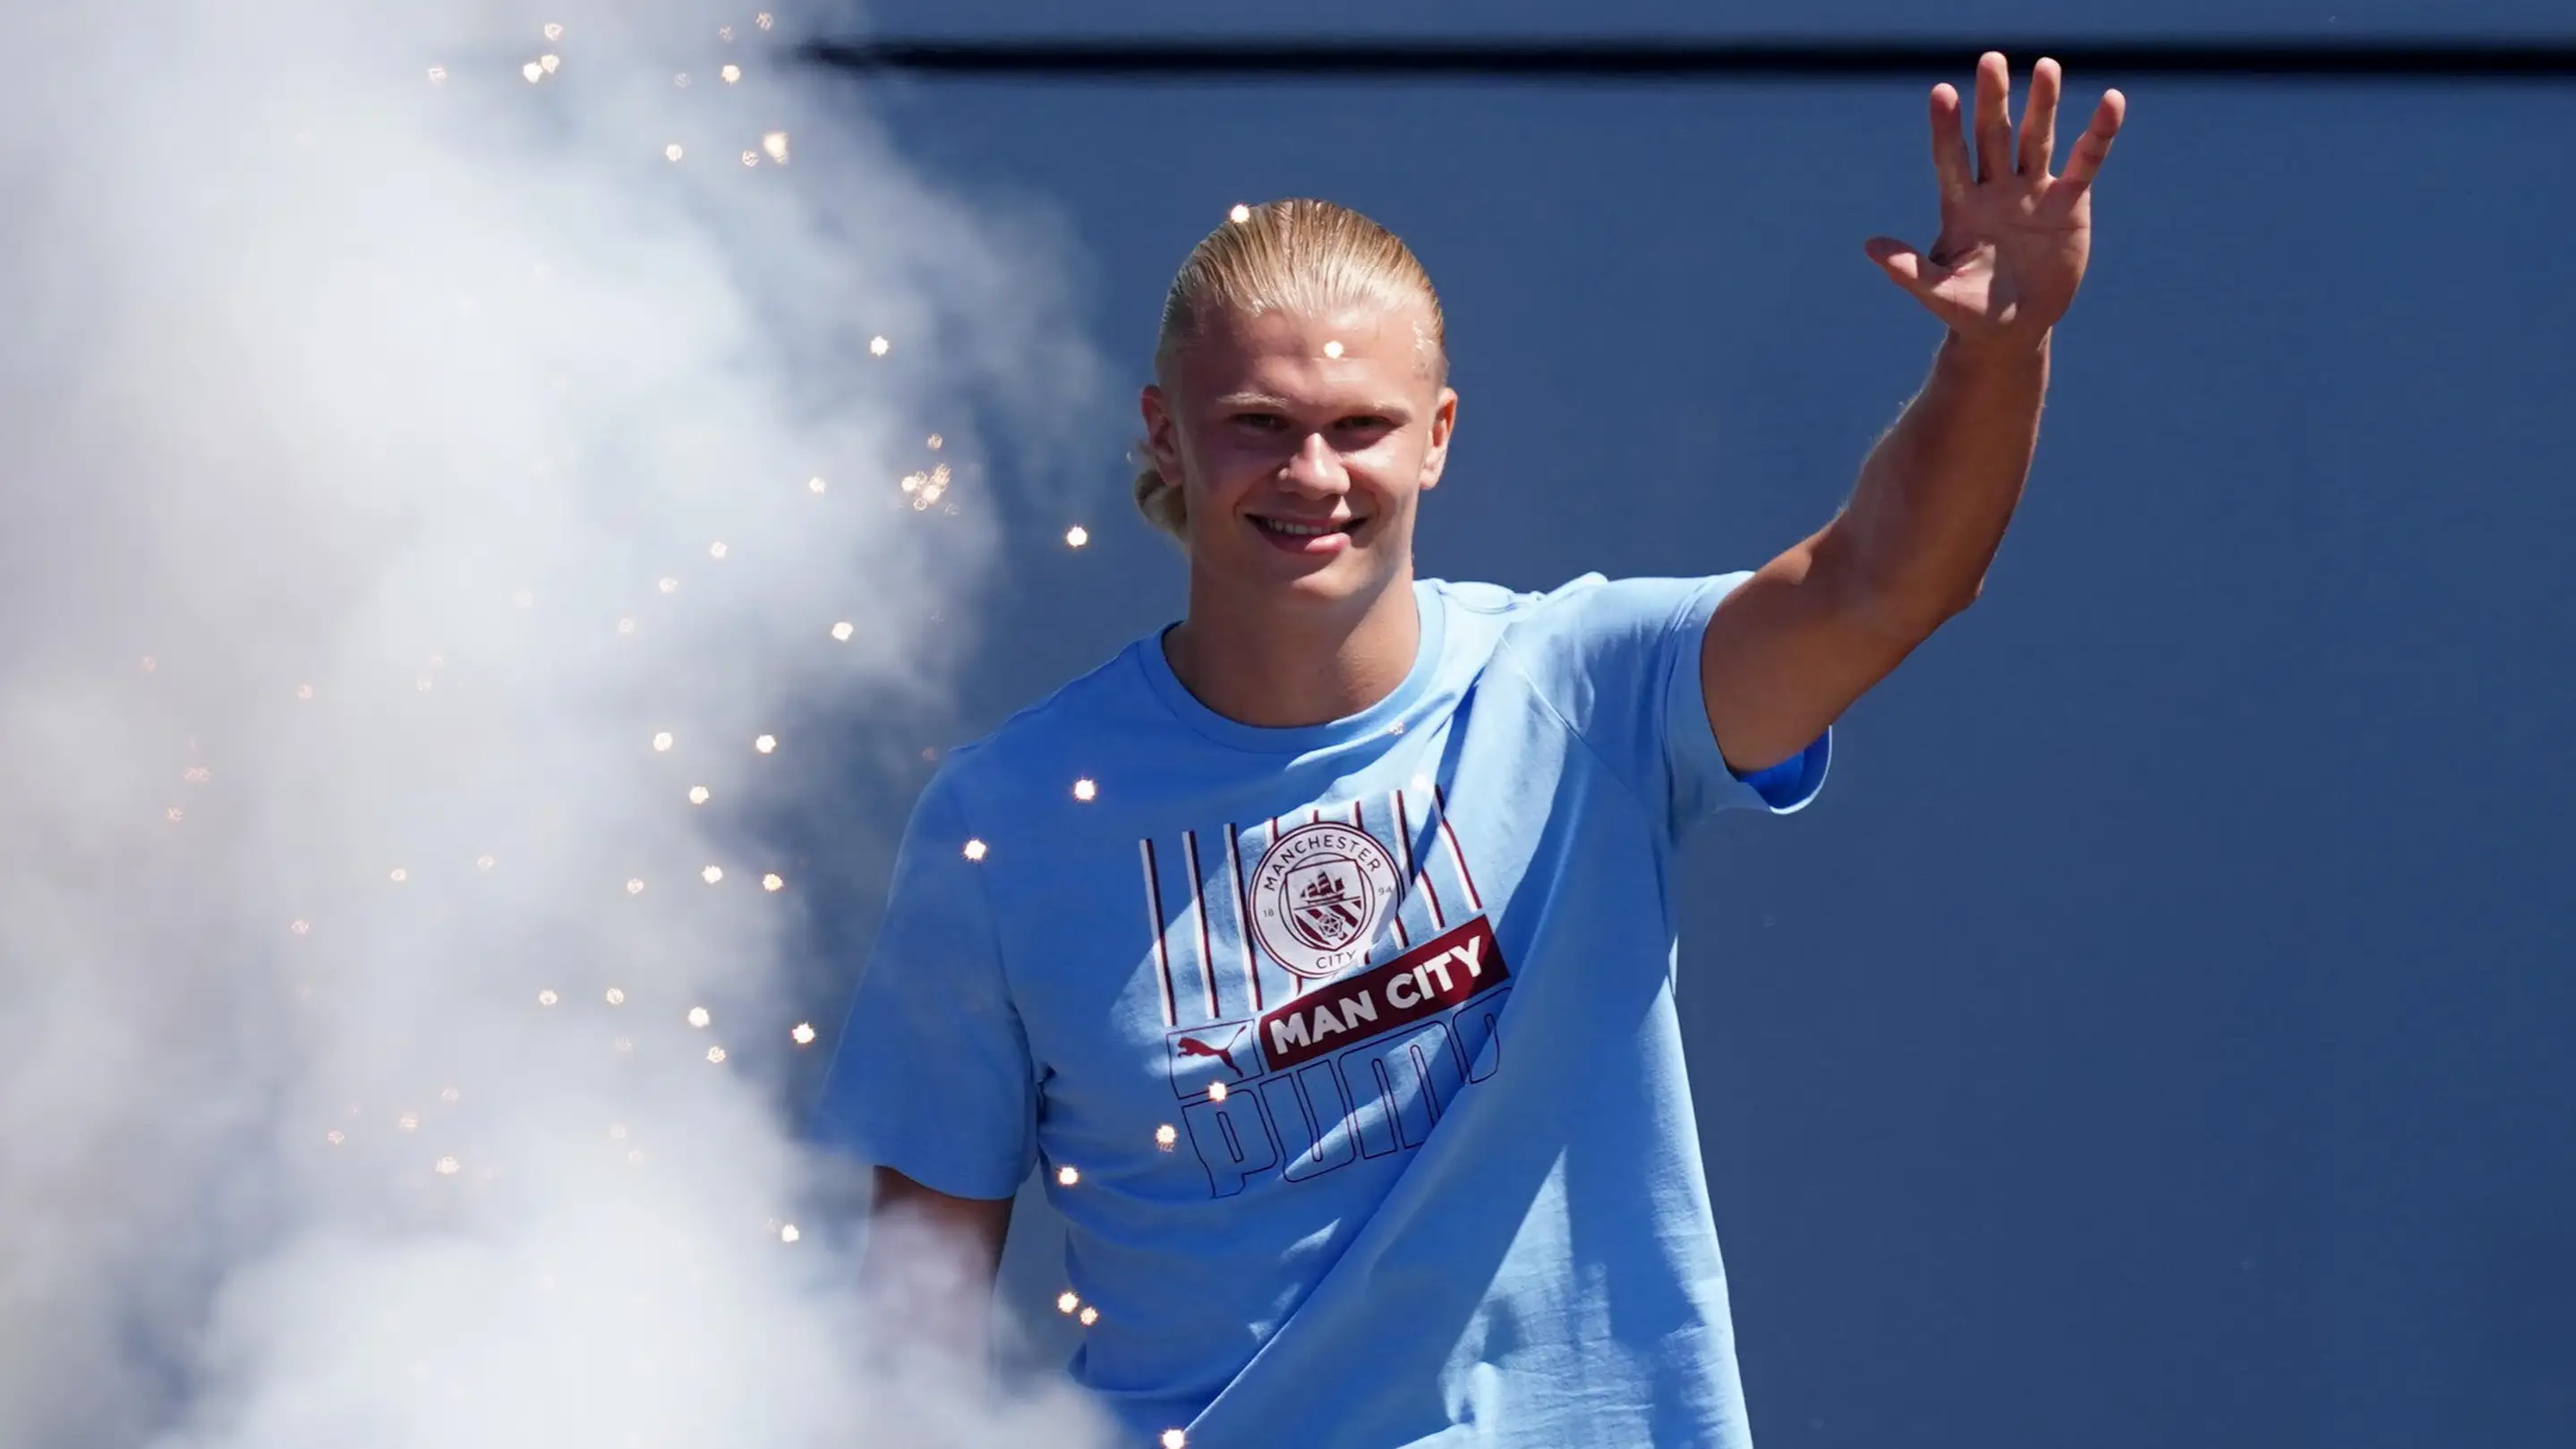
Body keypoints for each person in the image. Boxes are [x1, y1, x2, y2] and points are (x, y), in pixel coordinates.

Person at [813, 52, 2124, 1449]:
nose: (1311, 475)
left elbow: (1884, 584)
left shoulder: (1583, 686)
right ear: (1165, 436)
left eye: (1359, 428)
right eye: (1256, 426)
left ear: (1435, 439)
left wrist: (1996, 350)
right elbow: (916, 1307)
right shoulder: (1008, 820)